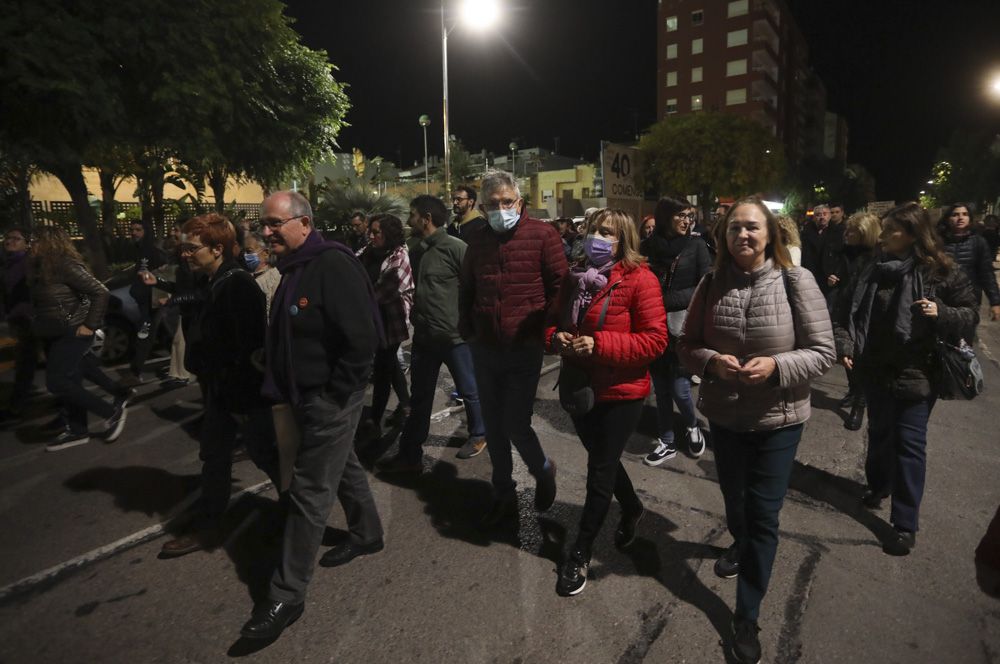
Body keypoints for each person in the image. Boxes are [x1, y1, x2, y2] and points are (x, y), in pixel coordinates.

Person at [678, 197, 835, 664]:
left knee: (764, 515)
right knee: (735, 504)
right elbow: (687, 345)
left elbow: (822, 351)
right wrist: (712, 363)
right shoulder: (711, 282)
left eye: (751, 228)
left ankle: (746, 613)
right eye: (733, 229)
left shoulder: (795, 280)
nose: (742, 236)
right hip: (726, 418)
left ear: (770, 235)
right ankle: (741, 542)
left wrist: (777, 366)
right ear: (723, 238)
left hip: (778, 421)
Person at [241, 191, 383, 641]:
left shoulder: (332, 264)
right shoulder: (295, 268)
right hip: (304, 394)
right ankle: (367, 533)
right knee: (344, 468)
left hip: (329, 397)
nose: (266, 232)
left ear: (304, 223)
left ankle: (287, 593)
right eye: (263, 224)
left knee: (308, 489)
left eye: (274, 223)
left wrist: (337, 394)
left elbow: (363, 338)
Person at [834, 202, 977, 558]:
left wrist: (940, 312)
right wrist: (847, 344)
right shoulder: (873, 267)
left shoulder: (941, 272)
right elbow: (844, 312)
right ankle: (879, 486)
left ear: (913, 234)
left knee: (910, 445)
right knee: (880, 434)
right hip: (875, 369)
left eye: (891, 229)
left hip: (919, 372)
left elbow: (969, 314)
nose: (882, 234)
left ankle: (905, 523)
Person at [547, 208, 666, 596]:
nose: (597, 236)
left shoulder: (640, 280)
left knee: (598, 470)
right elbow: (553, 320)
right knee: (605, 459)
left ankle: (580, 551)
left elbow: (655, 341)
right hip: (580, 387)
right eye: (594, 229)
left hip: (622, 393)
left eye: (608, 232)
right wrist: (556, 337)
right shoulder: (575, 274)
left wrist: (601, 344)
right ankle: (631, 506)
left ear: (624, 239)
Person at [158, 214, 280, 558]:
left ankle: (303, 514)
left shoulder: (237, 285)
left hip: (240, 395)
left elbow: (249, 350)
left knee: (266, 456)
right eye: (183, 247)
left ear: (217, 249)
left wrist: (238, 399)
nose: (185, 254)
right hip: (220, 392)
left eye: (191, 248)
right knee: (214, 455)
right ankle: (210, 525)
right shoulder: (214, 282)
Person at [459, 169, 568, 524]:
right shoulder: (476, 239)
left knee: (515, 423)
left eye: (507, 202)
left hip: (524, 346)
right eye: (493, 204)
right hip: (485, 346)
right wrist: (469, 330)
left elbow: (560, 287)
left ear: (519, 202)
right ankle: (502, 490)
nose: (501, 208)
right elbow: (468, 289)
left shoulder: (543, 234)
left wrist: (545, 330)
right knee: (492, 424)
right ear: (483, 207)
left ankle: (542, 468)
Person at [376, 195, 487, 472]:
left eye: (412, 215)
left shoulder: (456, 248)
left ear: (426, 218)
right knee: (420, 396)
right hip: (424, 338)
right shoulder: (414, 248)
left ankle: (479, 434)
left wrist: (471, 327)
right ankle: (410, 453)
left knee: (470, 390)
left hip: (454, 338)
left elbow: (476, 289)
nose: (408, 220)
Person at [29, 226, 127, 451]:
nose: (30, 244)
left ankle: (111, 411)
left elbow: (100, 292)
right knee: (71, 380)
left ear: (49, 242)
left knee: (57, 382)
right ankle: (77, 430)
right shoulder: (41, 268)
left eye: (35, 240)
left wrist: (88, 325)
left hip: (73, 331)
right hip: (55, 332)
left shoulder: (64, 264)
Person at [640, 196, 710, 465]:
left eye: (689, 215)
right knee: (661, 389)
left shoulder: (696, 245)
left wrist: (663, 300)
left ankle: (692, 426)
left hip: (681, 328)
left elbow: (705, 285)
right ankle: (666, 441)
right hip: (651, 327)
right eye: (680, 215)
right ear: (665, 216)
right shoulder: (647, 246)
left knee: (681, 389)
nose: (686, 220)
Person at [357, 214, 413, 440]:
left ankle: (374, 419)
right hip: (370, 318)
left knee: (382, 369)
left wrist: (355, 299)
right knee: (389, 364)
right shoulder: (367, 252)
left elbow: (384, 292)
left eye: (376, 231)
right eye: (370, 230)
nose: (371, 235)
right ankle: (407, 405)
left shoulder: (399, 257)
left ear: (389, 233)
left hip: (390, 321)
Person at [937, 202, 1000, 322]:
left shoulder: (978, 242)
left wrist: (995, 302)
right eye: (955, 214)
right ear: (947, 219)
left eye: (965, 214)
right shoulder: (938, 241)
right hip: (943, 298)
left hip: (969, 298)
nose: (960, 218)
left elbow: (987, 274)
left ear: (970, 218)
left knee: (966, 334)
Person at [1, 227, 36, 415]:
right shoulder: (8, 263)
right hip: (16, 317)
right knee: (26, 359)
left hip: (27, 318)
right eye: (8, 237)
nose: (10, 241)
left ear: (26, 244)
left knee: (25, 359)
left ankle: (19, 402)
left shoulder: (27, 263)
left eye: (16, 238)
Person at [243, 231, 280, 318]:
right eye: (244, 252)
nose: (245, 255)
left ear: (266, 253)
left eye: (249, 251)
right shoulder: (246, 277)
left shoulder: (276, 278)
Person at [800, 203, 830, 282]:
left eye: (824, 214)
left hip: (827, 276)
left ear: (829, 216)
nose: (822, 217)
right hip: (810, 273)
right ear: (814, 217)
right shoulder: (806, 232)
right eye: (818, 215)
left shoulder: (835, 232)